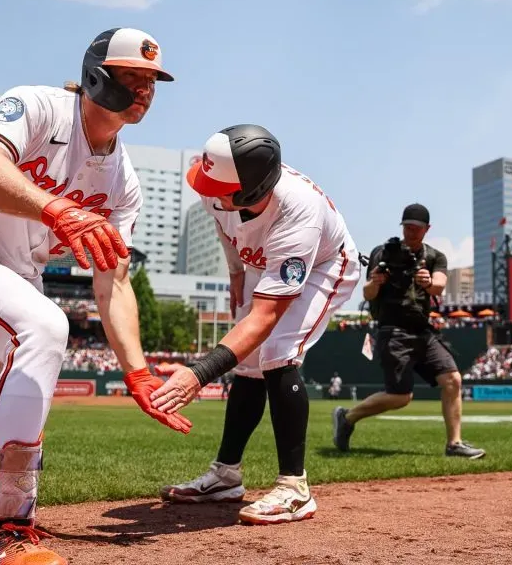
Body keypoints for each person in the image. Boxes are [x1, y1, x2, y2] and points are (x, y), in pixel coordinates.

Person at [0, 27, 189, 565]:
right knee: (47, 327)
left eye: (153, 81)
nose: (145, 89)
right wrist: (56, 209)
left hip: (18, 279)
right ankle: (4, 528)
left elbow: (113, 281)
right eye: (133, 76)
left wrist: (137, 370)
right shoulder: (40, 106)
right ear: (97, 74)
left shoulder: (123, 182)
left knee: (11, 406)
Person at [148, 125, 361, 525]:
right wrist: (235, 274)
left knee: (277, 350)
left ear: (249, 191)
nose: (205, 189)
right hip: (258, 261)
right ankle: (226, 475)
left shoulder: (299, 212)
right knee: (246, 363)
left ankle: (295, 488)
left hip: (325, 264)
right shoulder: (220, 187)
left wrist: (198, 375)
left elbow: (264, 319)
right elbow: (225, 230)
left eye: (216, 186)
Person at [331, 203, 484, 459]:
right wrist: (375, 282)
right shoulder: (385, 253)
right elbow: (368, 294)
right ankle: (347, 417)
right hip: (393, 329)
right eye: (407, 227)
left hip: (423, 330)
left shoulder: (435, 256)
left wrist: (427, 281)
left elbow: (439, 286)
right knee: (401, 397)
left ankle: (454, 444)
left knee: (453, 380)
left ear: (427, 229)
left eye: (417, 228)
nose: (411, 232)